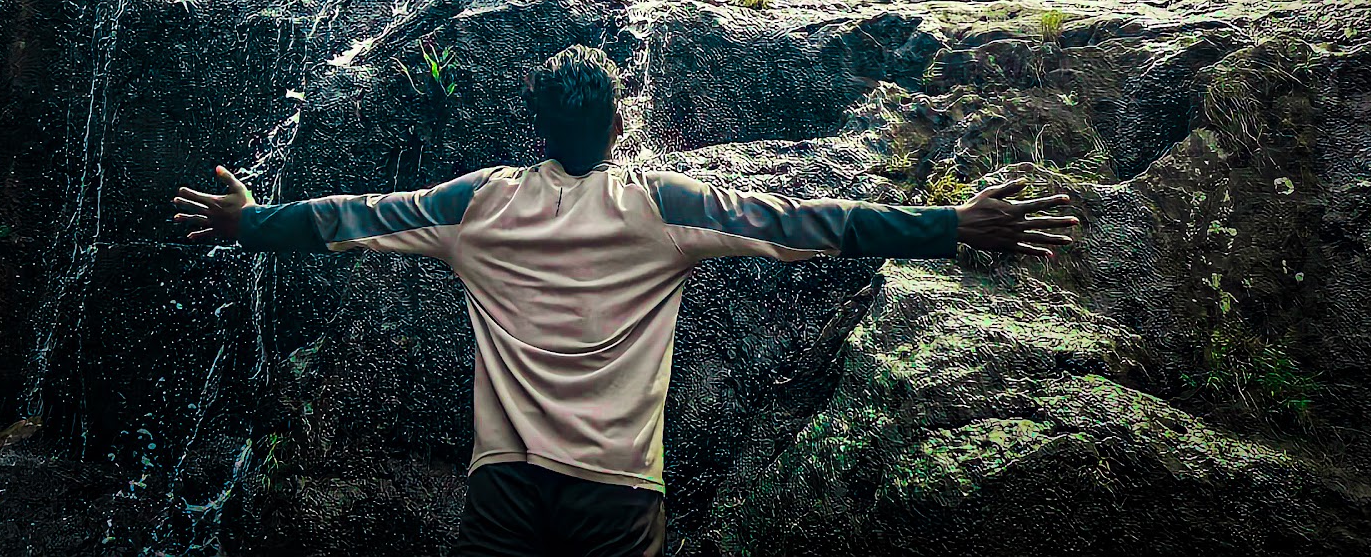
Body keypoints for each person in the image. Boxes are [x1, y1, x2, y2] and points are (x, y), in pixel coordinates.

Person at [174, 45, 1079, 557]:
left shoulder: (476, 204)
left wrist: (248, 223)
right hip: (615, 494)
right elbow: (814, 222)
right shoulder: (663, 207)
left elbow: (348, 217)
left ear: (535, 127)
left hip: (505, 491)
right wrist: (951, 224)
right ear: (617, 125)